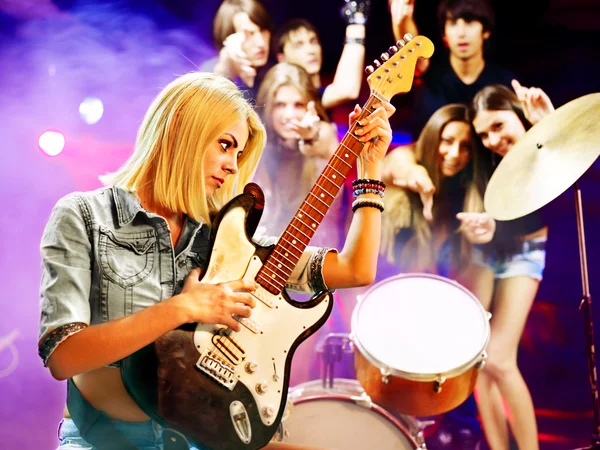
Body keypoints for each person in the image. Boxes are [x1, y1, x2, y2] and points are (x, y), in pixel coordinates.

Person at [38, 72, 394, 449]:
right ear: (179, 129)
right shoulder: (84, 215)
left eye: (239, 154)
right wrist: (182, 308)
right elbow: (64, 355)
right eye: (225, 145)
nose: (233, 167)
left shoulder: (225, 235)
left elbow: (355, 269)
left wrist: (369, 169)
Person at [469, 82, 554, 450]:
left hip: (526, 251)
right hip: (484, 256)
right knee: (476, 362)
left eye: (499, 126)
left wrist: (547, 125)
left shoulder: (544, 146)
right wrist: (478, 226)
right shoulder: (484, 159)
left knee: (500, 357)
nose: (491, 139)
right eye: (484, 133)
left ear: (518, 114)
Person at [254, 62, 351, 385]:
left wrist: (312, 136)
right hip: (259, 278)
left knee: (291, 376)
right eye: (281, 104)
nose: (290, 114)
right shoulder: (254, 149)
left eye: (298, 104)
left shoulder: (321, 138)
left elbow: (324, 141)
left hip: (309, 283)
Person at [389, 0, 515, 139]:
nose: (461, 33)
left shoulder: (504, 82)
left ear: (486, 31)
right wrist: (401, 20)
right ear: (444, 34)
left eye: (470, 22)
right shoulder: (430, 72)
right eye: (453, 23)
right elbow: (412, 49)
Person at [273, 8, 367, 110]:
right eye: (299, 45)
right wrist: (356, 20)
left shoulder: (320, 93)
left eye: (313, 42)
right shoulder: (289, 99)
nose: (310, 50)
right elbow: (347, 89)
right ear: (281, 58)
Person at [204, 0, 273, 98]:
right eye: (249, 33)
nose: (261, 42)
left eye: (263, 30)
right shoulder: (208, 73)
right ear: (229, 37)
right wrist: (224, 72)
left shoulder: (269, 73)